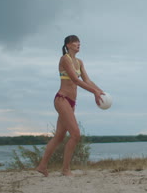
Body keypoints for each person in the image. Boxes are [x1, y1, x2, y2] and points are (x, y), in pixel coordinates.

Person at [36, 35, 104, 177]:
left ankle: (42, 166)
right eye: (75, 42)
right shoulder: (64, 59)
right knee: (75, 134)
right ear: (68, 44)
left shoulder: (79, 62)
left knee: (59, 137)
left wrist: (100, 92)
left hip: (72, 102)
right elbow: (75, 80)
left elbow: (87, 80)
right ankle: (65, 169)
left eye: (79, 42)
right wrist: (94, 92)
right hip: (62, 99)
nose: (78, 44)